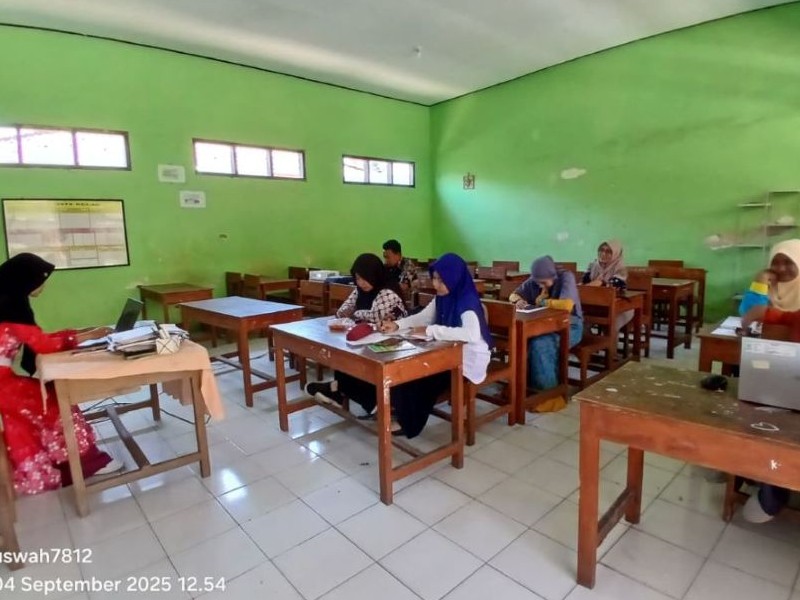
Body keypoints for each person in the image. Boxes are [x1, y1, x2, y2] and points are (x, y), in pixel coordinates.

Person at [0, 253, 122, 495]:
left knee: (53, 395)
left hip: (4, 379)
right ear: (25, 281)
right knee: (57, 401)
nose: (43, 287)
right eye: (41, 281)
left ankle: (66, 460)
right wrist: (88, 336)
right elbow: (43, 345)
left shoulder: (6, 301)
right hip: (3, 385)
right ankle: (85, 464)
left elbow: (37, 338)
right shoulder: (13, 307)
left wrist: (81, 332)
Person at [379, 253, 492, 437]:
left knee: (423, 379)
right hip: (447, 351)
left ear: (454, 278)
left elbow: (471, 334)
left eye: (441, 280)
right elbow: (423, 317)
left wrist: (431, 330)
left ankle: (410, 424)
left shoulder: (467, 301)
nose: (436, 284)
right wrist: (397, 325)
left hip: (467, 358)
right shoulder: (442, 296)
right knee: (406, 370)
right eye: (434, 278)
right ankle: (402, 413)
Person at [307, 253, 407, 419]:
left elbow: (376, 316)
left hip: (394, 344)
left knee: (356, 360)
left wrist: (356, 313)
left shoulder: (388, 291)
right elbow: (342, 311)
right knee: (344, 354)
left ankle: (358, 396)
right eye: (358, 278)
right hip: (371, 340)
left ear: (375, 274)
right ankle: (342, 391)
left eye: (365, 278)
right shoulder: (360, 290)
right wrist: (350, 313)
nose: (361, 283)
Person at [738, 302, 800, 522]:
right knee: (763, 418)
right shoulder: (797, 316)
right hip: (792, 392)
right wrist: (746, 322)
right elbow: (762, 312)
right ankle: (745, 473)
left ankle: (771, 500)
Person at [509, 256, 583, 411]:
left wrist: (542, 301)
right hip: (545, 325)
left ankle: (550, 397)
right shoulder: (536, 278)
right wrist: (518, 301)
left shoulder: (565, 277)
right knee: (522, 340)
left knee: (541, 344)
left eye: (544, 282)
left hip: (570, 326)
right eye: (538, 282)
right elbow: (513, 294)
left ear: (552, 275)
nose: (540, 285)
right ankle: (523, 390)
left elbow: (567, 305)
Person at [738, 239, 800, 316]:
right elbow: (748, 314)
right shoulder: (767, 284)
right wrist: (759, 284)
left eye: (788, 262)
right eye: (775, 263)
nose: (781, 269)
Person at [582, 239, 633, 331]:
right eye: (601, 250)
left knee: (612, 326)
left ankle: (610, 340)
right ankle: (590, 339)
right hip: (596, 304)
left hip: (620, 306)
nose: (603, 253)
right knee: (579, 319)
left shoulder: (620, 268)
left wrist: (600, 282)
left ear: (616, 253)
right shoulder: (593, 265)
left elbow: (613, 285)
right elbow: (585, 283)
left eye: (608, 251)